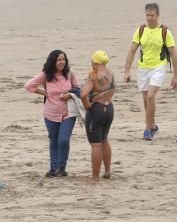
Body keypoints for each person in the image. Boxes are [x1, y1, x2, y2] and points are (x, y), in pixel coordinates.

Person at [124, 3, 177, 141]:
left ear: (157, 15)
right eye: (147, 15)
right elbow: (132, 51)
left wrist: (176, 75)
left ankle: (147, 130)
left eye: (152, 15)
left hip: (158, 67)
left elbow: (173, 54)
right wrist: (127, 71)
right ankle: (153, 125)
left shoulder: (165, 31)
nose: (149, 18)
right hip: (143, 68)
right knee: (146, 100)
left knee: (150, 97)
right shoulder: (141, 30)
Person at [25, 50, 81, 178]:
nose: (62, 62)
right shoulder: (46, 75)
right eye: (59, 60)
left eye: (63, 59)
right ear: (53, 61)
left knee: (63, 140)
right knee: (54, 141)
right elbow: (29, 86)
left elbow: (78, 89)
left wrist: (70, 94)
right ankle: (54, 169)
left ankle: (61, 168)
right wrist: (44, 93)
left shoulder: (70, 73)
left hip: (68, 113)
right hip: (50, 114)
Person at [81, 50, 115, 181]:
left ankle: (95, 177)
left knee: (95, 144)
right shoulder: (111, 73)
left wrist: (87, 105)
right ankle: (107, 171)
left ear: (94, 62)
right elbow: (112, 89)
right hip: (109, 108)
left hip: (97, 110)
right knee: (104, 139)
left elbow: (83, 94)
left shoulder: (94, 75)